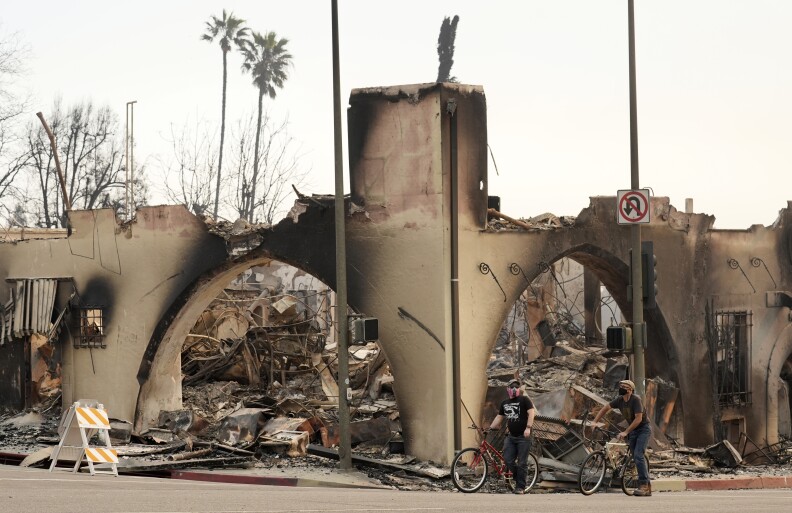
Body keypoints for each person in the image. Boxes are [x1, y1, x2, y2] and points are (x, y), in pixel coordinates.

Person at [589, 379, 652, 497]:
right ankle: (646, 485)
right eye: (621, 385)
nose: (621, 387)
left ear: (630, 390)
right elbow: (606, 408)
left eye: (624, 386)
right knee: (634, 456)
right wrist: (594, 422)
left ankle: (644, 485)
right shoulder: (619, 400)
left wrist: (626, 432)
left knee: (638, 455)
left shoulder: (636, 400)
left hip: (643, 429)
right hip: (633, 430)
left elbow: (638, 419)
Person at [487, 378, 536, 494]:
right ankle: (517, 476)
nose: (514, 389)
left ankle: (520, 487)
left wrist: (528, 428)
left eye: (516, 387)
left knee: (522, 462)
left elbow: (531, 413)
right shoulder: (505, 403)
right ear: (508, 389)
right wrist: (489, 428)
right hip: (511, 436)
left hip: (523, 437)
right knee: (508, 460)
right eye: (512, 386)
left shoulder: (524, 400)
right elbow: (499, 417)